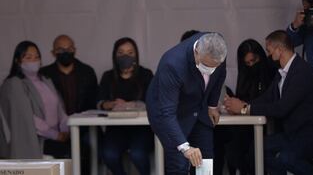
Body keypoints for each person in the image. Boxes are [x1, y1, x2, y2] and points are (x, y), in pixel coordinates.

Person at [225, 30, 313, 175]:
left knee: (286, 158)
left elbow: (281, 108)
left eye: (270, 50)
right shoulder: (282, 73)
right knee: (257, 149)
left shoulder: (301, 72)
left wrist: (245, 109)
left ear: (279, 50)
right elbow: (267, 98)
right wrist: (242, 104)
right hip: (292, 134)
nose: (268, 55)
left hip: (310, 135)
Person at [146, 32, 227, 174]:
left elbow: (220, 75)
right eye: (206, 65)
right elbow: (167, 113)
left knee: (206, 158)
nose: (210, 71)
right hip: (171, 112)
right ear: (196, 52)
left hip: (199, 107)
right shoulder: (172, 64)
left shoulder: (218, 48)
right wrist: (185, 147)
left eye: (214, 66)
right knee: (179, 163)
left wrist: (212, 105)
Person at [0, 41, 69, 159]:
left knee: (83, 148)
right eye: (28, 57)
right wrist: (55, 135)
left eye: (37, 57)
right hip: (35, 140)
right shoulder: (14, 84)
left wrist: (65, 129)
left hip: (57, 136)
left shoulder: (46, 80)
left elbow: (59, 108)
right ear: (17, 61)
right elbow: (26, 117)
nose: (34, 60)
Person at [217, 39, 276, 175]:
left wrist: (244, 108)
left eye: (254, 61)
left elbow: (268, 105)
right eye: (247, 63)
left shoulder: (271, 74)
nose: (251, 66)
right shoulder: (245, 77)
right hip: (245, 127)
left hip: (266, 128)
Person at [40, 34, 98, 173]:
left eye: (69, 48)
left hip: (84, 128)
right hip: (54, 130)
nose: (65, 52)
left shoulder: (87, 72)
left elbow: (93, 104)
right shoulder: (44, 75)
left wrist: (78, 126)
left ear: (75, 50)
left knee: (89, 147)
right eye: (60, 49)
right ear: (53, 53)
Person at [98, 37, 154, 175]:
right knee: (109, 154)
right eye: (121, 52)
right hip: (116, 129)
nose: (125, 56)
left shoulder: (146, 74)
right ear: (115, 55)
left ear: (136, 55)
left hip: (142, 129)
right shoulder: (108, 76)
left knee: (138, 154)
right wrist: (109, 104)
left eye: (130, 52)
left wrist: (133, 104)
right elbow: (99, 102)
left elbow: (153, 101)